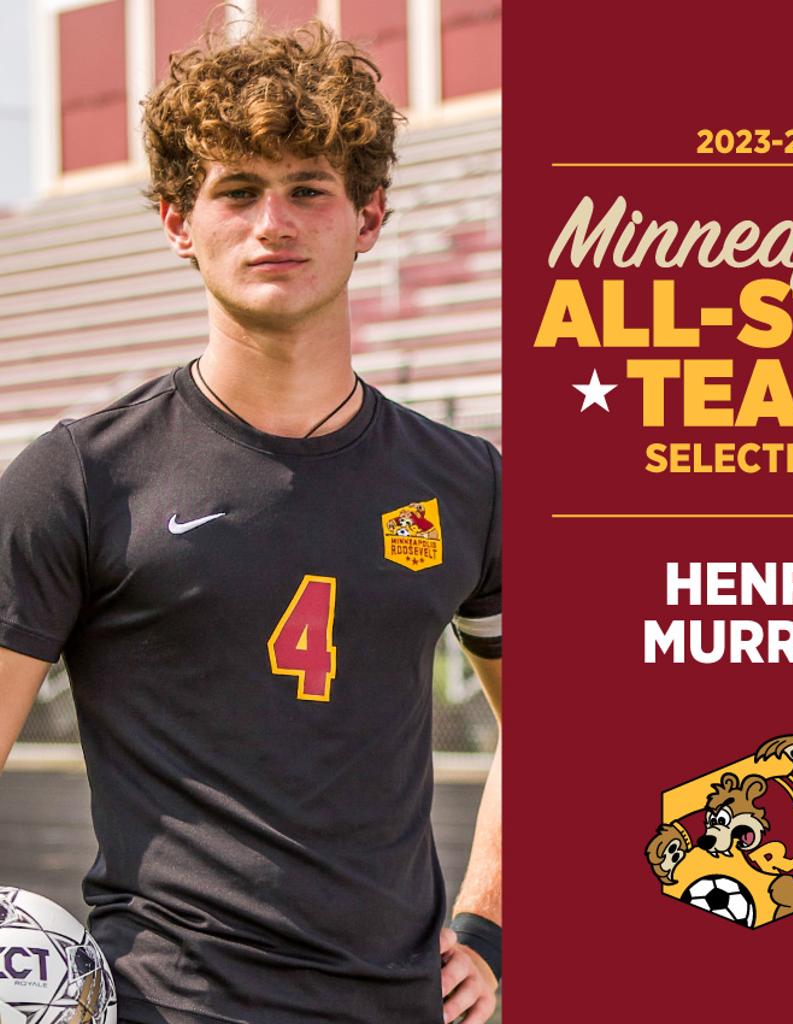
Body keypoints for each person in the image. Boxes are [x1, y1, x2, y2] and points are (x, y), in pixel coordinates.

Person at [0, 19, 501, 1024]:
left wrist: (489, 929)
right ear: (178, 222)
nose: (274, 220)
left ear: (370, 216)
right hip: (165, 1007)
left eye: (309, 188)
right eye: (236, 190)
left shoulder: (466, 481)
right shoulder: (82, 476)